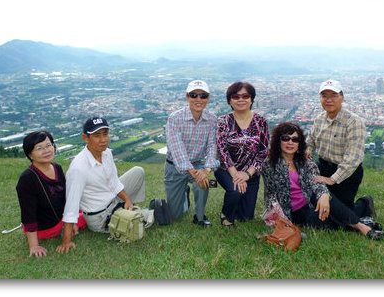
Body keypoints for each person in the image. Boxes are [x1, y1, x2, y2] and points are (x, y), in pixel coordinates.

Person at [262, 122, 384, 240]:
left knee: (327, 203)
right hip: (293, 211)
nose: (290, 142)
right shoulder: (270, 164)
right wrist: (276, 216)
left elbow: (316, 181)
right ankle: (364, 208)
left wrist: (324, 195)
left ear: (299, 143)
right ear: (278, 141)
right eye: (285, 138)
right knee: (321, 220)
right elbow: (270, 193)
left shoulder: (306, 161)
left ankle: (363, 228)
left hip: (310, 202)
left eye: (295, 139)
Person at [56, 117, 152, 253]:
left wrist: (127, 199)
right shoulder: (79, 168)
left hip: (112, 198)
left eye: (105, 134)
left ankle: (129, 207)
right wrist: (66, 240)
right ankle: (138, 212)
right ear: (86, 138)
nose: (103, 139)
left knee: (138, 171)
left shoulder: (106, 153)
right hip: (100, 215)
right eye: (97, 135)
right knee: (146, 218)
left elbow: (114, 182)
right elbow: (71, 205)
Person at [306, 79, 376, 219]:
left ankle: (364, 204)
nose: (329, 100)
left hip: (346, 174)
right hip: (323, 167)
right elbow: (310, 140)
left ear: (342, 97)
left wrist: (332, 179)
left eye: (333, 95)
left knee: (339, 216)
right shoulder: (319, 119)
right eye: (324, 96)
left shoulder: (354, 122)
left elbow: (353, 158)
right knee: (321, 210)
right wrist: (307, 151)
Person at [16, 131, 87, 258]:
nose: (47, 150)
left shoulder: (57, 167)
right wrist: (34, 246)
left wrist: (71, 222)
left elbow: (66, 199)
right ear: (30, 154)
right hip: (44, 228)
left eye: (49, 145)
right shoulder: (27, 179)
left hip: (61, 217)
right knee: (89, 215)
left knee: (86, 207)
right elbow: (28, 215)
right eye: (39, 148)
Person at [164, 80, 220, 227]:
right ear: (187, 97)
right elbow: (177, 149)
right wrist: (194, 173)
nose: (198, 99)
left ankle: (199, 217)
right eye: (194, 95)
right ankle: (185, 194)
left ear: (208, 98)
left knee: (203, 183)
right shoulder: (175, 118)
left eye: (203, 96)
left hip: (197, 163)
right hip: (174, 167)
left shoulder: (212, 120)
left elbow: (213, 146)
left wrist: (206, 170)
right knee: (175, 214)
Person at [215, 81, 270, 228]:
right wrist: (236, 175)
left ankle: (237, 201)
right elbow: (222, 151)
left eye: (245, 96)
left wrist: (247, 174)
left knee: (246, 217)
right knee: (235, 191)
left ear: (251, 99)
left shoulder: (261, 122)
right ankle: (226, 215)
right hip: (227, 170)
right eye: (236, 96)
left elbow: (263, 152)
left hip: (251, 173)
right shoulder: (223, 122)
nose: (241, 99)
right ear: (230, 101)